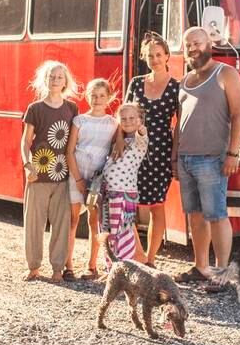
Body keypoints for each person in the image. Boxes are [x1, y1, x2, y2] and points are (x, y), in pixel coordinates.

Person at [172, 27, 240, 292]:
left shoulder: (225, 73)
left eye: (197, 43)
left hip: (213, 158)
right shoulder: (185, 80)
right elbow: (179, 122)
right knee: (195, 215)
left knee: (216, 215)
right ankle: (201, 267)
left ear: (209, 44)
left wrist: (233, 153)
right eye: (188, 44)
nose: (193, 48)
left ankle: (221, 273)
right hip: (186, 158)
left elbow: (239, 115)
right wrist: (174, 158)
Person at [124, 32, 180, 267]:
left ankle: (150, 258)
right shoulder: (136, 82)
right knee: (128, 204)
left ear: (167, 56)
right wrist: (119, 145)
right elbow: (124, 115)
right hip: (132, 152)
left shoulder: (176, 87)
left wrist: (174, 157)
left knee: (157, 205)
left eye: (159, 54)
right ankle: (132, 254)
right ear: (144, 57)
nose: (155, 59)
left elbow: (179, 127)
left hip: (161, 153)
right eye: (150, 55)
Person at [20, 60, 79, 282]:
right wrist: (28, 165)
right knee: (34, 223)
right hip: (37, 176)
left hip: (62, 176)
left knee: (62, 224)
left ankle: (57, 269)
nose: (55, 80)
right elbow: (25, 142)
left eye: (59, 77)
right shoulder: (35, 109)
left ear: (65, 82)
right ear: (45, 80)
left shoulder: (72, 109)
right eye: (51, 77)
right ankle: (34, 267)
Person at [64, 78, 118, 281]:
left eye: (102, 96)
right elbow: (70, 151)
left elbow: (115, 148)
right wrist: (77, 178)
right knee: (72, 219)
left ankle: (91, 265)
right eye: (93, 95)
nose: (97, 99)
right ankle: (68, 265)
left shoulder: (113, 124)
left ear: (109, 98)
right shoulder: (80, 120)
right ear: (87, 96)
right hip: (76, 173)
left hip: (96, 178)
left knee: (94, 220)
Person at [100, 103, 148, 267]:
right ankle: (111, 268)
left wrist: (139, 127)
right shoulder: (118, 141)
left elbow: (142, 132)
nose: (128, 121)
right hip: (108, 193)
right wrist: (119, 136)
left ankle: (124, 268)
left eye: (132, 118)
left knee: (123, 232)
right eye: (124, 119)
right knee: (108, 231)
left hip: (124, 193)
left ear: (140, 119)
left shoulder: (140, 140)